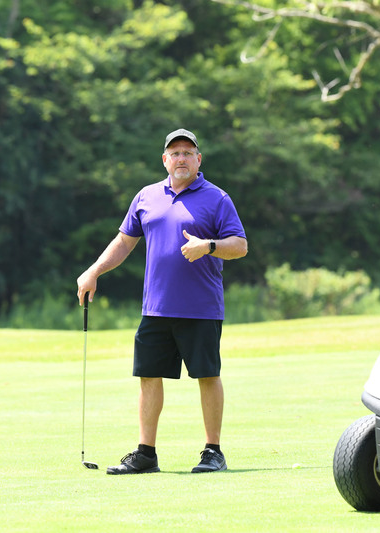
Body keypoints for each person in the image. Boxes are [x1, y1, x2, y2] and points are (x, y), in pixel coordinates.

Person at [76, 128, 248, 475]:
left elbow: (240, 246)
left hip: (200, 308)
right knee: (149, 376)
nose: (181, 158)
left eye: (188, 152)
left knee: (207, 375)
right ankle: (146, 453)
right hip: (156, 307)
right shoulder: (147, 197)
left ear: (199, 160)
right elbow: (124, 242)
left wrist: (209, 246)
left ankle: (213, 451)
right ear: (165, 160)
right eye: (175, 153)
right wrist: (94, 270)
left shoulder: (217, 198)